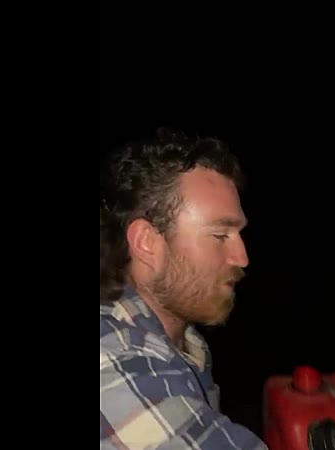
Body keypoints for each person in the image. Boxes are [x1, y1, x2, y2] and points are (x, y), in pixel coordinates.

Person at [99, 128, 267, 449]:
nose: (242, 258)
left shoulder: (182, 345)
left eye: (239, 235)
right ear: (147, 243)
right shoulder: (112, 360)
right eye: (220, 236)